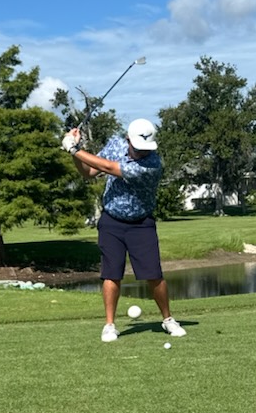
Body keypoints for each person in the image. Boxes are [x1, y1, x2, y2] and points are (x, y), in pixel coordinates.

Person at [62, 118, 186, 343]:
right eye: (138, 147)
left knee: (154, 275)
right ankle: (109, 325)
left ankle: (168, 319)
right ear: (128, 139)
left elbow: (109, 168)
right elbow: (89, 172)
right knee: (111, 274)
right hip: (112, 221)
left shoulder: (152, 164)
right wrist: (75, 153)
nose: (142, 152)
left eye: (145, 148)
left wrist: (74, 149)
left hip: (141, 223)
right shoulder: (115, 145)